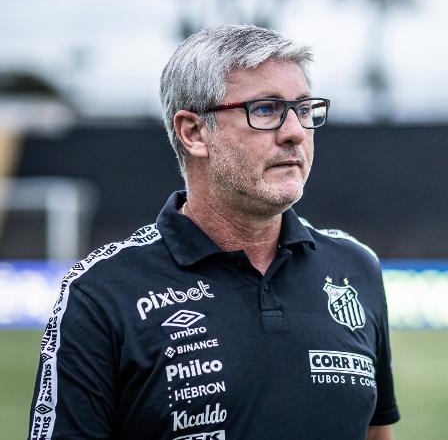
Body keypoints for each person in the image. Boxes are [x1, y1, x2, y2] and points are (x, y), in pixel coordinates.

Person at [29, 25, 399, 440]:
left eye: (304, 108)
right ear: (193, 133)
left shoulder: (355, 266)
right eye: (265, 109)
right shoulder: (101, 292)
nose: (296, 131)